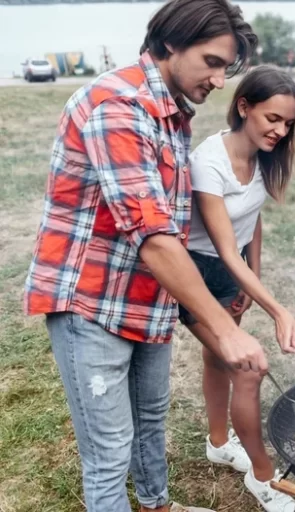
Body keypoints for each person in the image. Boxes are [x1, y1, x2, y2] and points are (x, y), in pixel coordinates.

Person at [23, 1, 263, 510]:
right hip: (91, 305)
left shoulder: (169, 110)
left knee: (151, 420)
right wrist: (224, 328)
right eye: (213, 62)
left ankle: (156, 504)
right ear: (172, 43)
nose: (221, 80)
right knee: (109, 453)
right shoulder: (120, 105)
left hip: (146, 299)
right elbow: (153, 235)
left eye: (229, 67)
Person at [179, 66, 295, 511]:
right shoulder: (208, 162)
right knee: (248, 369)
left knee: (219, 357)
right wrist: (278, 310)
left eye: (288, 123)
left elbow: (253, 220)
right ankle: (263, 475)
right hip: (195, 273)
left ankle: (217, 442)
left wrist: (255, 273)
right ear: (244, 107)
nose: (280, 131)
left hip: (233, 271)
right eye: (272, 119)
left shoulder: (263, 157)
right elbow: (224, 250)